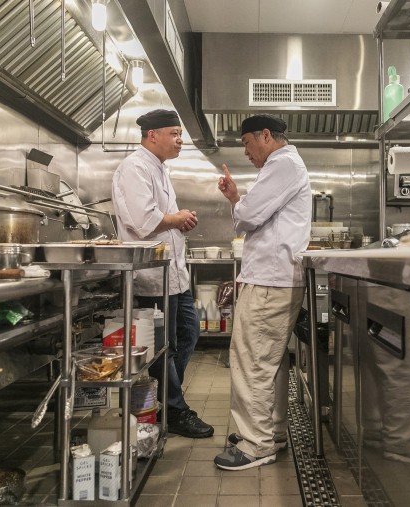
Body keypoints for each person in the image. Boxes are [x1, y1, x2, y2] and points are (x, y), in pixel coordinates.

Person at [213, 114, 312, 470]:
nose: (246, 152)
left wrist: (240, 201)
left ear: (265, 136)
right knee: (269, 362)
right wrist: (239, 201)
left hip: (270, 282)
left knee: (252, 361)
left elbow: (249, 216)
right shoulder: (284, 166)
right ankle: (271, 432)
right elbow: (248, 216)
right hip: (274, 280)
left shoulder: (282, 164)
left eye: (246, 143)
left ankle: (256, 445)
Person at [111, 109, 213, 439]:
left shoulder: (159, 168)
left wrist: (180, 220)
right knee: (163, 346)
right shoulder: (135, 167)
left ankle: (160, 399)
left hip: (174, 276)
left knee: (188, 332)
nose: (180, 140)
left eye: (180, 134)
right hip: (152, 278)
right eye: (174, 133)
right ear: (152, 135)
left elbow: (163, 217)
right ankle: (173, 407)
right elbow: (143, 220)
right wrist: (177, 217)